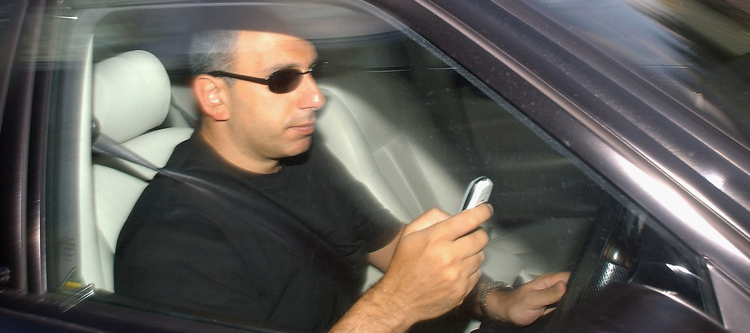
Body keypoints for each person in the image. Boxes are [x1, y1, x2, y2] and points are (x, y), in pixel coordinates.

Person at [114, 23, 569, 332]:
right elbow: (399, 289)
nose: (314, 97)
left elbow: (388, 246)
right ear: (216, 96)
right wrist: (396, 305)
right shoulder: (172, 243)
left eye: (313, 73)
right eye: (283, 80)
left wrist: (499, 301)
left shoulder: (298, 157)